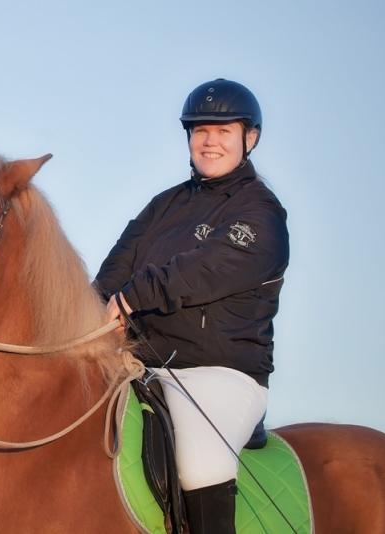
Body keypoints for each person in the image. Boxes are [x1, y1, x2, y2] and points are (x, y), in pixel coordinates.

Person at [93, 79, 289, 533]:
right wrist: (93, 311)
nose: (210, 141)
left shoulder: (261, 213)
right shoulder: (163, 206)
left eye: (223, 131)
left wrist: (133, 297)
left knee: (199, 464)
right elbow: (112, 274)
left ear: (250, 138)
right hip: (141, 368)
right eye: (201, 130)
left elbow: (205, 269)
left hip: (219, 374)